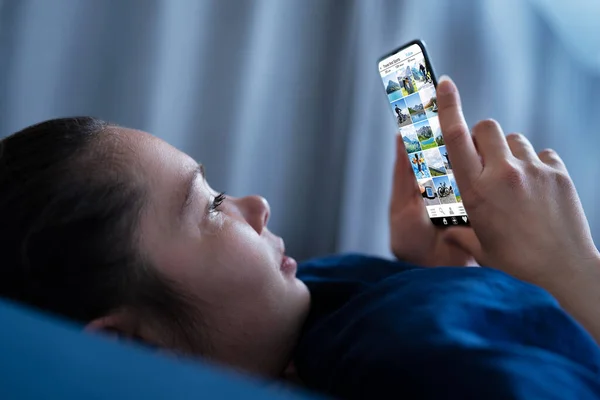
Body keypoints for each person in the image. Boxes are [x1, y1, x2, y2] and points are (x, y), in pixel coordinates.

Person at [1, 77, 600, 398]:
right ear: (130, 345)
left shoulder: (291, 311)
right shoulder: (408, 366)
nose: (256, 206)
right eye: (209, 208)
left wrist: (433, 271)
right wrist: (573, 275)